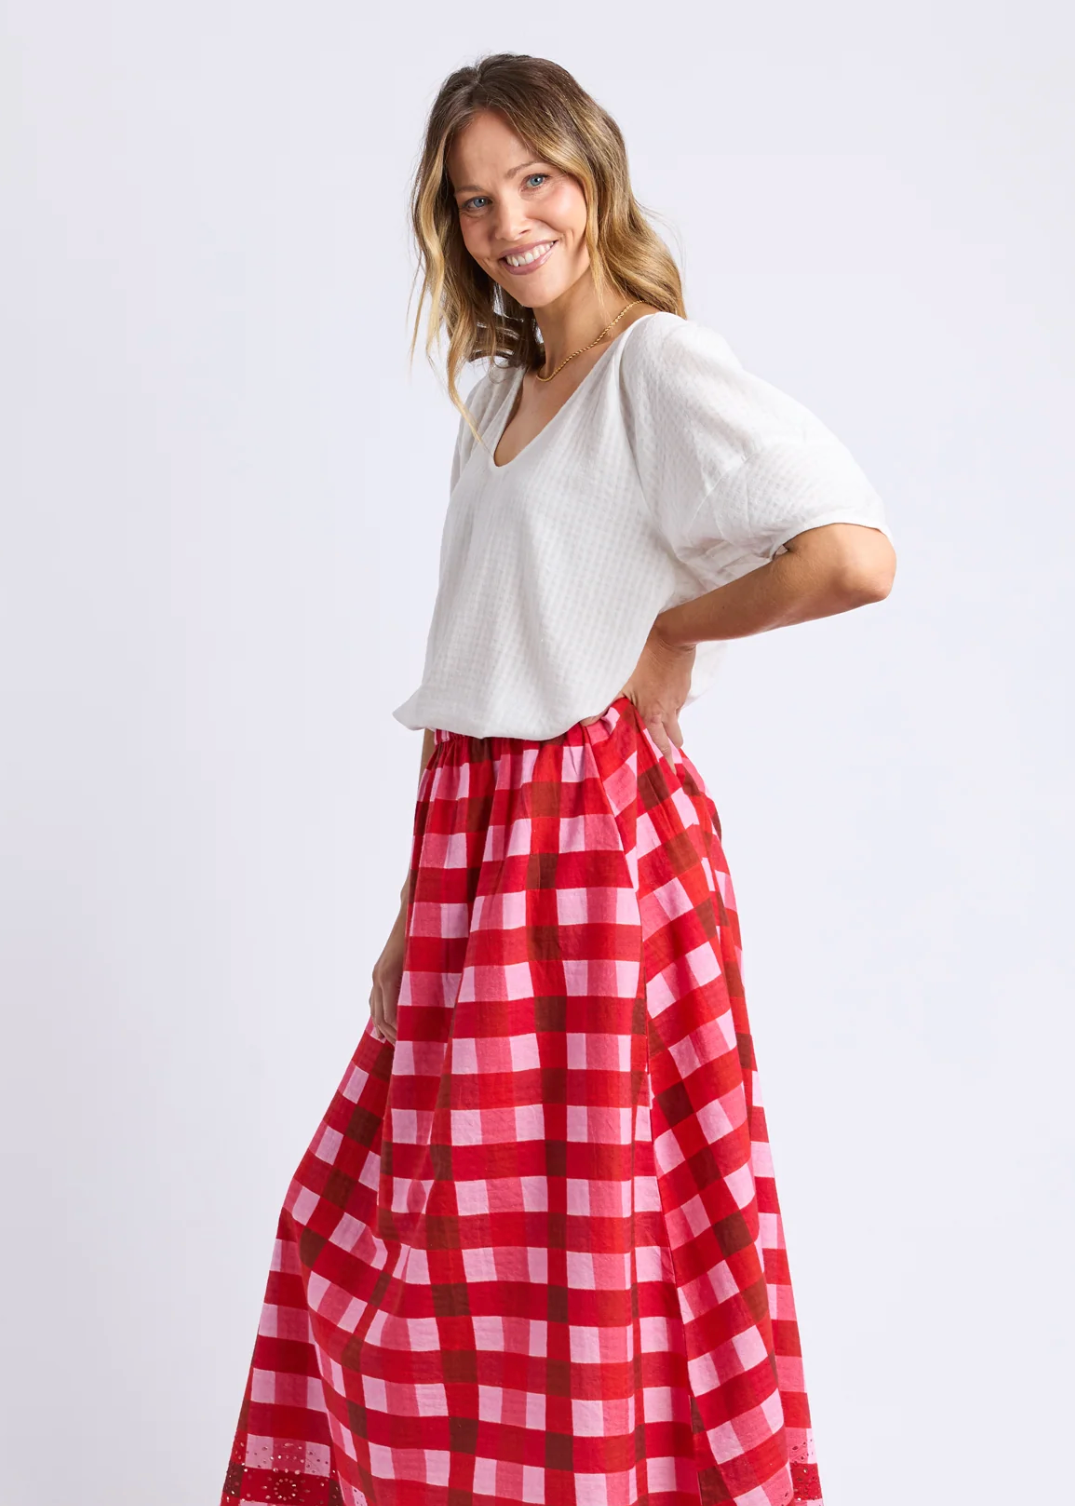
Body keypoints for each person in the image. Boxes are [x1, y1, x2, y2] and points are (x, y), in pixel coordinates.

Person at [220, 52, 896, 1506]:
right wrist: (412, 907)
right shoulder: (492, 395)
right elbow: (468, 658)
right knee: (375, 1236)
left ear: (594, 177)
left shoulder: (656, 365)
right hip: (474, 840)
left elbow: (852, 556)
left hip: (595, 842)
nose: (508, 222)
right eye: (474, 202)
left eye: (535, 180)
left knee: (594, 1244)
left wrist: (666, 631)